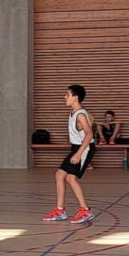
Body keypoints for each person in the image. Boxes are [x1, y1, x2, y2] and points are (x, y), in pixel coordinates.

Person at [42, 84, 95, 224]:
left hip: (84, 148)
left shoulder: (80, 115)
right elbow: (92, 118)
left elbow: (89, 135)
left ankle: (85, 211)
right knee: (59, 174)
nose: (64, 97)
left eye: (67, 94)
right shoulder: (76, 112)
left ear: (75, 97)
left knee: (71, 178)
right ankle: (60, 210)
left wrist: (79, 154)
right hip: (76, 147)